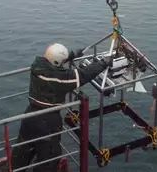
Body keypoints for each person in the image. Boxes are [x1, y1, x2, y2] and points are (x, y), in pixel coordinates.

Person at [11, 43, 113, 172]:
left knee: (22, 152)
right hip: (47, 121)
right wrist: (103, 63)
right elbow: (81, 76)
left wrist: (71, 55)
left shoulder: (37, 66)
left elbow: (54, 64)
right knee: (48, 159)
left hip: (30, 115)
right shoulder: (58, 79)